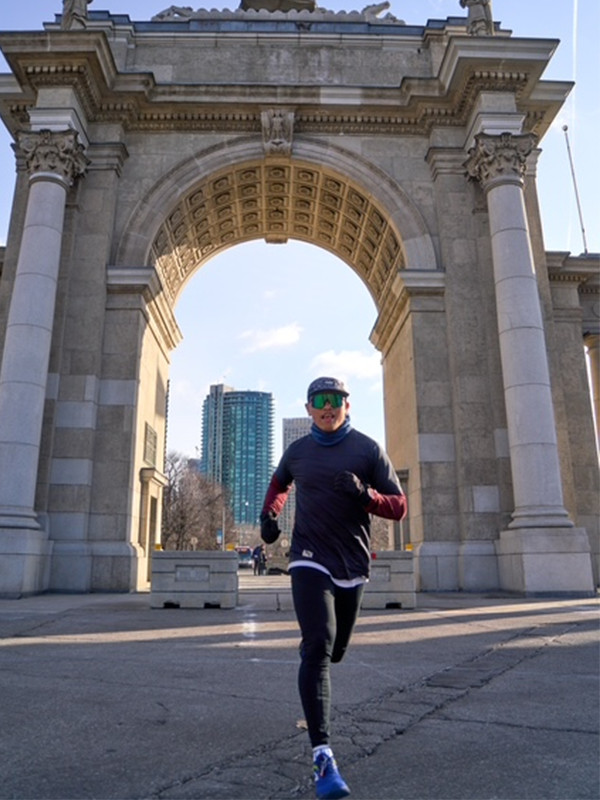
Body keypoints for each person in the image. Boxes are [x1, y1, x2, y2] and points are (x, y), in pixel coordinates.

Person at [260, 377, 407, 800]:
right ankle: (323, 755)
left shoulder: (367, 449)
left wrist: (365, 496)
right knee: (318, 645)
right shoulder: (298, 451)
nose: (327, 407)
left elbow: (399, 507)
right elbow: (279, 483)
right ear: (308, 409)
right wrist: (271, 514)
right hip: (308, 556)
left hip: (352, 564)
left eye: (335, 400)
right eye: (319, 401)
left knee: (335, 649)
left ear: (347, 405)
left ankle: (318, 651)